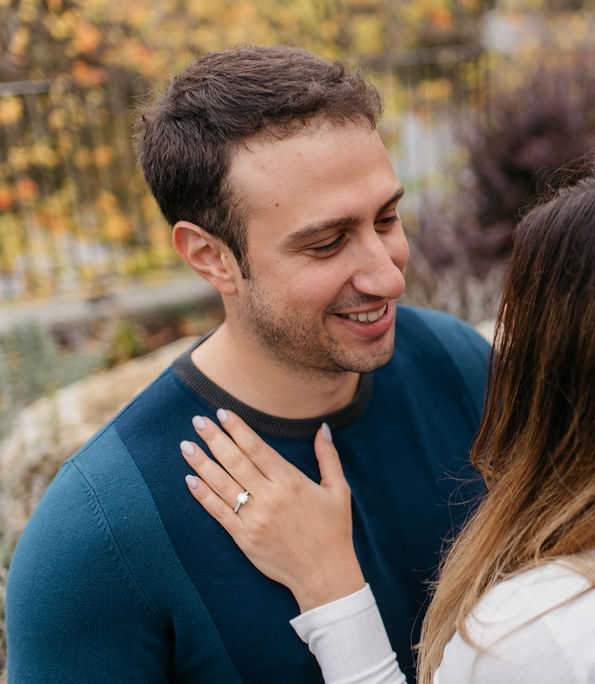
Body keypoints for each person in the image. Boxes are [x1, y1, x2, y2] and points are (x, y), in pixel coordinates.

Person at [180, 166, 595, 683]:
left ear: (581, 374)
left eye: (522, 321)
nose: (389, 278)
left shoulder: (539, 636)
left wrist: (332, 590)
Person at [5, 45, 490, 682]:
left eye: (388, 217)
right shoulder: (98, 534)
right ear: (209, 257)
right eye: (326, 243)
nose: (387, 275)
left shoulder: (463, 368)